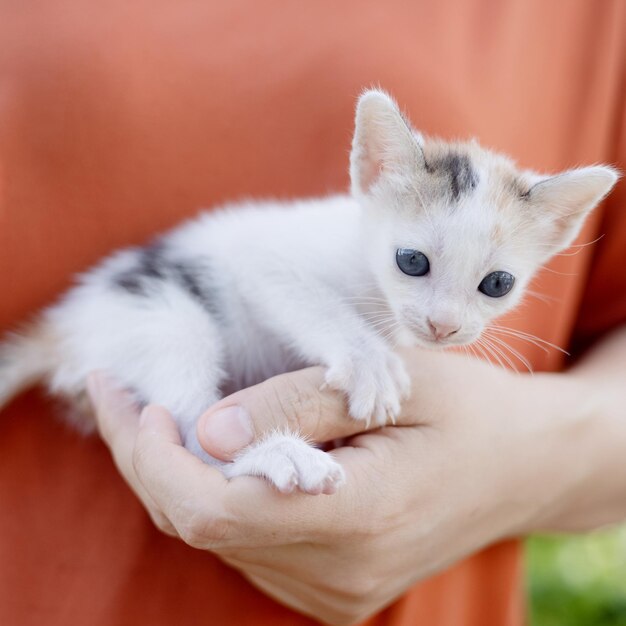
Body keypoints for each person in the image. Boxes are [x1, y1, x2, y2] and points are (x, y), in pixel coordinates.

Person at [1, 1, 624, 625]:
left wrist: (531, 457)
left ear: (556, 230)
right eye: (415, 264)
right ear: (376, 173)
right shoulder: (334, 236)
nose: (445, 318)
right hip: (151, 308)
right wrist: (350, 347)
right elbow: (259, 268)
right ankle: (229, 454)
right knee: (178, 344)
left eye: (493, 285)